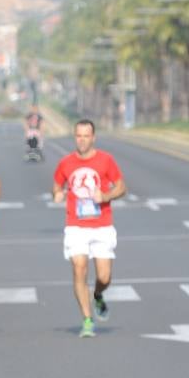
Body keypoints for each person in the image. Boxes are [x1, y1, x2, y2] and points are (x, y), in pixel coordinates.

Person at [52, 119, 126, 338]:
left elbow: (122, 187)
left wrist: (105, 196)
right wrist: (56, 193)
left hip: (102, 225)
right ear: (74, 137)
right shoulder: (66, 163)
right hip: (76, 226)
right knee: (79, 267)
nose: (82, 140)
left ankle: (98, 295)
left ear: (93, 137)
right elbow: (57, 185)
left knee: (104, 277)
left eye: (86, 136)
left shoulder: (106, 160)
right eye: (78, 136)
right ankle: (87, 319)